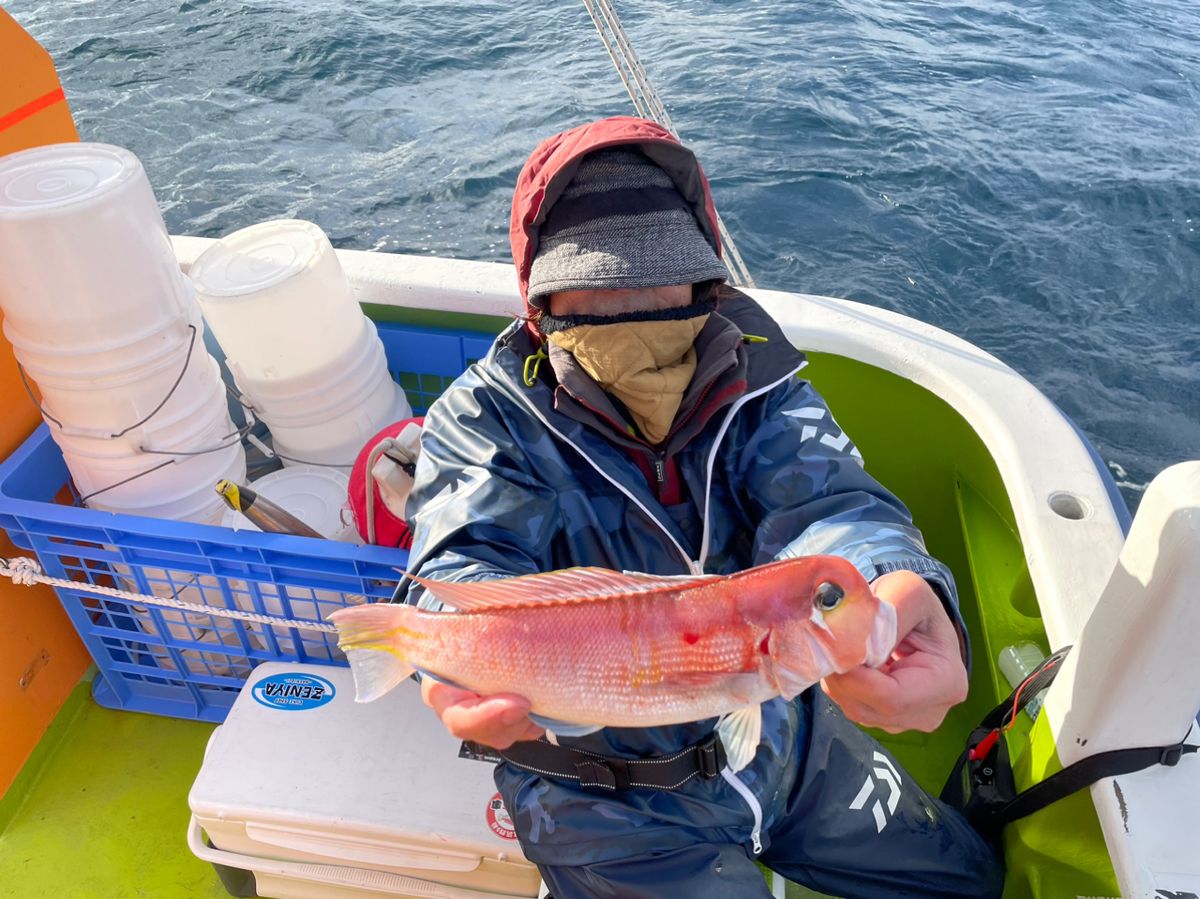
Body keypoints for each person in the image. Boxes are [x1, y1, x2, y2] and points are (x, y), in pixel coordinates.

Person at [400, 116, 1005, 898]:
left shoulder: (764, 383)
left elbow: (835, 502)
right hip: (599, 798)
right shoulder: (483, 418)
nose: (635, 311)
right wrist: (444, 655)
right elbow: (462, 552)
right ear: (539, 301)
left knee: (970, 878)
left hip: (786, 740)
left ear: (706, 281)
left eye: (662, 282)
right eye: (595, 296)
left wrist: (892, 583)